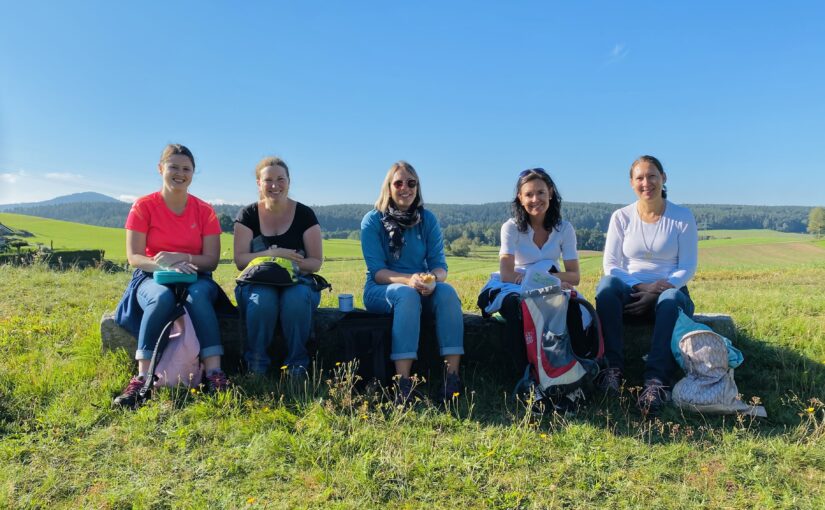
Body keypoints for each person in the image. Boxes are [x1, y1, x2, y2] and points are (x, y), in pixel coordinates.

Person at [113, 144, 230, 407]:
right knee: (161, 298)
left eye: (186, 169)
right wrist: (163, 266)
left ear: (193, 173)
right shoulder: (144, 206)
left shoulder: (204, 210)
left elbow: (211, 260)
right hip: (151, 277)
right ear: (160, 168)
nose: (180, 173)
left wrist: (181, 259)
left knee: (198, 296)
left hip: (197, 277)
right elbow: (134, 257)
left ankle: (214, 374)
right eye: (173, 167)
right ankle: (142, 380)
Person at [595, 155, 698, 414]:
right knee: (607, 287)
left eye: (652, 175)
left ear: (663, 178)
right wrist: (641, 287)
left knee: (671, 300)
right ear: (632, 183)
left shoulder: (682, 217)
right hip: (630, 291)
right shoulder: (621, 217)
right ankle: (611, 371)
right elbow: (611, 264)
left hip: (670, 293)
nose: (646, 182)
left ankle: (656, 382)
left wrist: (660, 289)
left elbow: (687, 266)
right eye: (639, 177)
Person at [479, 168, 582, 412]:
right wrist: (550, 279)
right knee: (519, 308)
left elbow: (575, 276)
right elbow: (506, 273)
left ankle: (570, 380)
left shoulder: (564, 229)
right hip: (511, 287)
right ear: (519, 198)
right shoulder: (512, 227)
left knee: (574, 308)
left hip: (545, 284)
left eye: (541, 192)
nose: (535, 199)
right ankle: (528, 380)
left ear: (551, 193)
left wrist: (547, 280)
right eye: (529, 194)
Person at [360, 161, 464, 404]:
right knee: (405, 295)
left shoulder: (427, 220)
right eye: (398, 183)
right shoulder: (373, 220)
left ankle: (452, 379)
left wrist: (433, 280)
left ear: (417, 188)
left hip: (420, 287)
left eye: (411, 183)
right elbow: (377, 272)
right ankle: (403, 384)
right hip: (383, 288)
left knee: (447, 292)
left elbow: (440, 266)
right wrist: (409, 280)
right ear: (388, 187)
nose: (405, 188)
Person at [233, 156, 323, 377]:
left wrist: (287, 267)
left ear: (289, 182)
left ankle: (297, 366)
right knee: (262, 300)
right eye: (268, 180)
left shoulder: (304, 214)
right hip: (257, 282)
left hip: (298, 281)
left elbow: (316, 262)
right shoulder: (248, 215)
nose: (275, 185)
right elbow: (240, 261)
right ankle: (256, 366)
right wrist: (273, 254)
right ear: (258, 184)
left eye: (280, 179)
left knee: (296, 299)